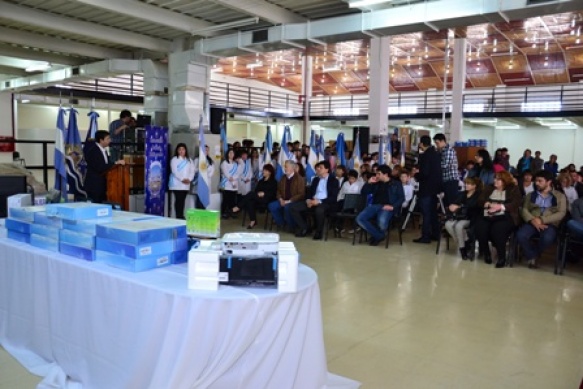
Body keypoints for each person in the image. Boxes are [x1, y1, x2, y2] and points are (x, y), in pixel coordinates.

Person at [517, 170, 567, 269]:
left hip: (550, 223)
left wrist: (542, 220)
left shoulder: (559, 196)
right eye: (536, 181)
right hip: (532, 221)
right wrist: (532, 220)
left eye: (540, 181)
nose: (537, 183)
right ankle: (533, 256)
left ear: (549, 182)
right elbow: (524, 209)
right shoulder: (531, 195)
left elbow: (561, 213)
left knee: (547, 238)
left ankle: (532, 255)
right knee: (520, 235)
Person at [474, 171, 522, 267]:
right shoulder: (489, 188)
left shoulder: (513, 189)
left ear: (505, 181)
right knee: (480, 228)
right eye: (495, 178)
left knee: (497, 230)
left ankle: (502, 257)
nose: (495, 181)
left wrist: (500, 207)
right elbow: (480, 200)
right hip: (489, 213)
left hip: (506, 215)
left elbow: (515, 203)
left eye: (498, 179)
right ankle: (487, 254)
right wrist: (487, 204)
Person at [356, 165, 405, 246]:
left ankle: (376, 236)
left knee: (382, 222)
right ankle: (379, 236)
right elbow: (363, 192)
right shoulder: (376, 183)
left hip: (388, 207)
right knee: (360, 218)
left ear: (385, 174)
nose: (376, 176)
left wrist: (393, 206)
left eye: (378, 174)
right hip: (375, 206)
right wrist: (368, 183)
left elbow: (401, 198)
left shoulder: (396, 184)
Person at [290, 160, 339, 240]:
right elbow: (310, 192)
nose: (318, 169)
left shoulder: (334, 181)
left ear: (327, 170)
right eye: (318, 168)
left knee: (319, 210)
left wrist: (319, 201)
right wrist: (308, 200)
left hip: (326, 202)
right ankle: (305, 228)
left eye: (321, 168)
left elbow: (333, 197)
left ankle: (319, 232)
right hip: (313, 201)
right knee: (294, 208)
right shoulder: (316, 179)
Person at [413, 135, 442, 244]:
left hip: (426, 188)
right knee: (433, 212)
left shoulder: (425, 155)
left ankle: (425, 236)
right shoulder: (436, 154)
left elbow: (424, 173)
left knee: (426, 213)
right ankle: (436, 234)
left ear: (421, 144)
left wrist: (417, 175)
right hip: (435, 188)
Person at [444, 177, 482, 260]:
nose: (466, 185)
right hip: (459, 216)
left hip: (471, 218)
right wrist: (452, 206)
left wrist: (460, 206)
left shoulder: (478, 195)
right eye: (466, 183)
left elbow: (474, 207)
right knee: (447, 224)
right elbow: (455, 203)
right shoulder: (463, 194)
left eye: (469, 184)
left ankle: (462, 250)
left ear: (474, 186)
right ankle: (465, 242)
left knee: (459, 226)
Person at [84, 130, 125, 203]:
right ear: (101, 140)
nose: (110, 140)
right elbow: (100, 167)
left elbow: (107, 164)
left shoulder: (104, 150)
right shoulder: (93, 151)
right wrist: (116, 163)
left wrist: (115, 163)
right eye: (108, 138)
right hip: (95, 185)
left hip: (102, 184)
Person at [234, 164, 277, 229]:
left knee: (251, 194)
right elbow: (256, 191)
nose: (263, 172)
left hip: (267, 199)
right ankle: (253, 221)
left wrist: (264, 193)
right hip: (258, 198)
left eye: (265, 170)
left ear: (270, 172)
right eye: (263, 170)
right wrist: (258, 193)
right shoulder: (261, 181)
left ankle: (238, 206)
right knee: (250, 201)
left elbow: (273, 193)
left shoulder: (274, 182)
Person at [268, 160, 305, 230]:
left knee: (287, 208)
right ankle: (281, 223)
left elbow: (301, 194)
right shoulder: (283, 178)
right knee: (272, 206)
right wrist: (281, 199)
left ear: (292, 168)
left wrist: (288, 201)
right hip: (283, 200)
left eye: (286, 167)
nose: (285, 168)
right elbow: (278, 191)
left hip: (294, 201)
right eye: (285, 167)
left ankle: (292, 226)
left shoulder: (299, 179)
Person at [168, 143, 194, 219]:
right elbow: (175, 171)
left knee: (183, 200)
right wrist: (182, 179)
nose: (181, 151)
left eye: (183, 149)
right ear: (177, 151)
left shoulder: (189, 160)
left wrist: (189, 179)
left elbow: (192, 171)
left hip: (186, 184)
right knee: (178, 200)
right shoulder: (174, 160)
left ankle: (181, 215)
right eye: (179, 149)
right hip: (177, 184)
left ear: (185, 150)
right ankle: (179, 216)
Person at [433, 133, 459, 207]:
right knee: (446, 202)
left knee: (451, 201)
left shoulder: (449, 150)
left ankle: (452, 218)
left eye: (437, 143)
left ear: (443, 141)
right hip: (445, 180)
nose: (436, 145)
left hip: (451, 180)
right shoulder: (441, 151)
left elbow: (445, 165)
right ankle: (447, 217)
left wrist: (433, 167)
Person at [192, 144, 215, 209]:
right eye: (204, 150)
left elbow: (211, 172)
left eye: (207, 150)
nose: (206, 151)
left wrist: (205, 172)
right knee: (199, 200)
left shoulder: (210, 161)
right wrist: (201, 170)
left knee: (204, 200)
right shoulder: (197, 160)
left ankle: (203, 215)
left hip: (206, 183)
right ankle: (198, 215)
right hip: (199, 183)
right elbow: (194, 170)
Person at [220, 149, 239, 219]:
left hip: (234, 184)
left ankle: (232, 212)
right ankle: (224, 213)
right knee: (226, 199)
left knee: (232, 199)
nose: (231, 154)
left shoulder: (235, 163)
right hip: (226, 184)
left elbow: (237, 173)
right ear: (227, 154)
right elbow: (226, 173)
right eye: (230, 153)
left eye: (233, 153)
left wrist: (233, 179)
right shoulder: (224, 163)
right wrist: (230, 178)